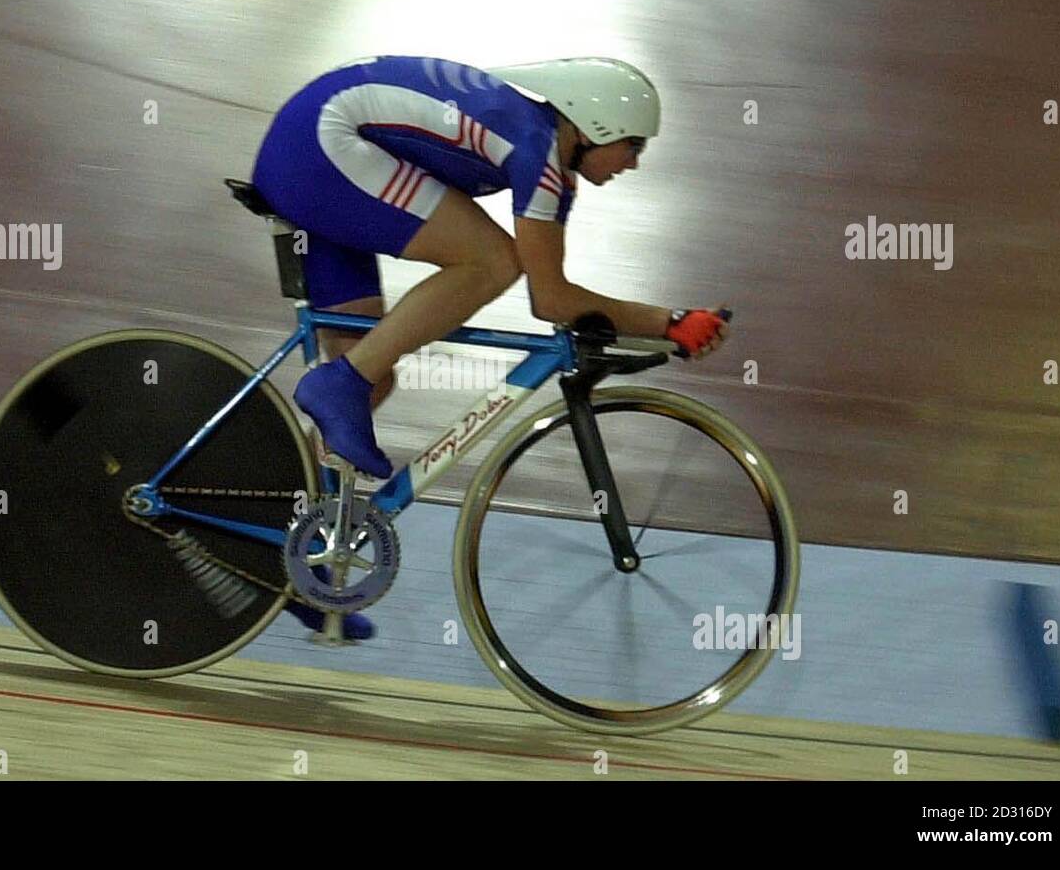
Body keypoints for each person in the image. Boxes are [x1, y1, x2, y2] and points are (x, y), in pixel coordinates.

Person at [250, 56, 728, 639]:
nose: (633, 162)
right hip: (323, 144)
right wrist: (669, 321)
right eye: (632, 145)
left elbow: (556, 295)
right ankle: (339, 383)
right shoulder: (537, 151)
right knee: (491, 261)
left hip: (317, 146)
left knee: (374, 374)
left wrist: (656, 326)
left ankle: (288, 563)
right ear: (594, 125)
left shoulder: (540, 148)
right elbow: (550, 298)